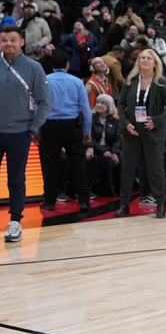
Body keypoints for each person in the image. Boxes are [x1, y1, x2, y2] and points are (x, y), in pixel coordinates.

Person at [0, 25, 51, 243]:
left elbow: (45, 102)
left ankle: (15, 221)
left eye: (12, 40)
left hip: (20, 133)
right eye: (4, 40)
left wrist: (34, 128)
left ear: (22, 42)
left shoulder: (34, 67)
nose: (8, 44)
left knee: (16, 179)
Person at [115, 49, 166, 219]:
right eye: (142, 57)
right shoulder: (131, 81)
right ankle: (124, 204)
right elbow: (120, 104)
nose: (144, 60)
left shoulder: (161, 82)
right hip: (132, 131)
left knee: (155, 169)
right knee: (127, 169)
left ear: (155, 62)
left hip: (153, 131)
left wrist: (157, 120)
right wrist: (125, 123)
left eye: (148, 58)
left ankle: (160, 203)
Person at [39, 51, 94, 214]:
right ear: (68, 65)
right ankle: (84, 201)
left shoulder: (45, 81)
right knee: (78, 164)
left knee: (50, 164)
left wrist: (37, 129)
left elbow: (37, 106)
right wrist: (87, 131)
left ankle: (49, 201)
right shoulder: (77, 82)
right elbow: (86, 110)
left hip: (50, 126)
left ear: (51, 66)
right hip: (72, 126)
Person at [87, 94, 121, 196]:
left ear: (109, 106)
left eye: (102, 103)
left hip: (109, 149)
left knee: (121, 158)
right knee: (100, 160)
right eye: (97, 102)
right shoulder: (90, 119)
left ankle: (119, 188)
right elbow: (90, 137)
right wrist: (103, 150)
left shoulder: (115, 121)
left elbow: (117, 139)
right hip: (95, 149)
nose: (99, 105)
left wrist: (114, 152)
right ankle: (103, 189)